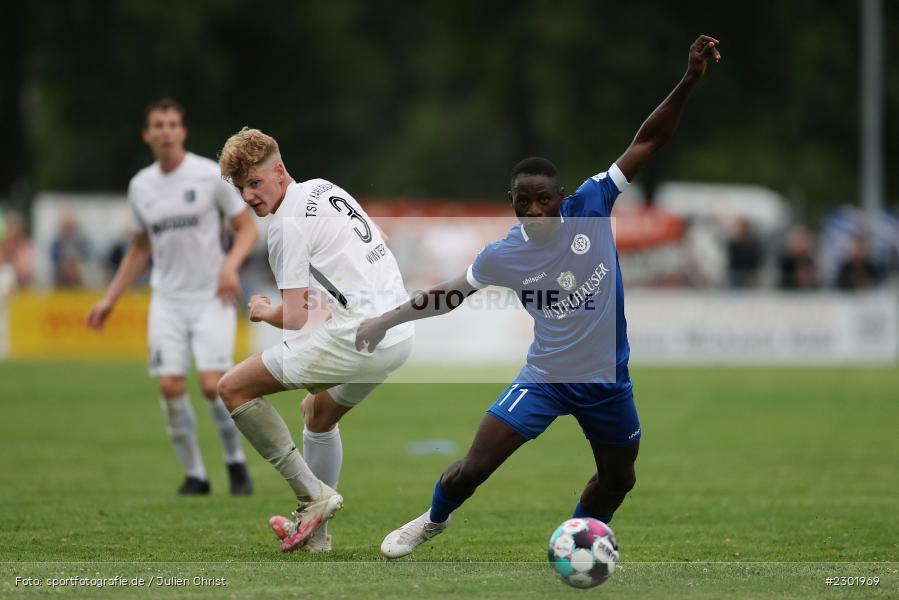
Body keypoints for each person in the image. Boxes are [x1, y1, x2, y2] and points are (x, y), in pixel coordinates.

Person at [356, 36, 721, 558]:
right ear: (511, 202)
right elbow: (449, 294)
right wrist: (384, 321)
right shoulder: (504, 255)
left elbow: (648, 140)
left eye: (543, 200)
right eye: (522, 202)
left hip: (608, 382)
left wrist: (687, 81)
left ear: (560, 197)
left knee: (619, 480)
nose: (533, 211)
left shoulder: (592, 204)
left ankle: (577, 542)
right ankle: (432, 521)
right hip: (545, 379)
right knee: (472, 468)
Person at [215, 127, 414, 553]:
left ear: (279, 171)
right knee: (317, 414)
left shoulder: (285, 225)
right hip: (399, 333)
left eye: (255, 182)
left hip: (357, 337)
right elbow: (379, 239)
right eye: (241, 188)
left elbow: (295, 317)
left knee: (232, 387)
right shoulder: (324, 188)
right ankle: (316, 537)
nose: (248, 196)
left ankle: (313, 496)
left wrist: (263, 310)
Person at [86, 99, 259, 496]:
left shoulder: (208, 175)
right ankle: (196, 475)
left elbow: (247, 229)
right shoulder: (141, 186)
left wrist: (230, 266)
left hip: (211, 296)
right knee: (169, 387)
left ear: (183, 131)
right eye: (158, 125)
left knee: (214, 386)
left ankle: (235, 463)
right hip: (167, 299)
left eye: (172, 124)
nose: (166, 131)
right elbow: (139, 248)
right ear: (147, 135)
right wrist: (109, 299)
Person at [778, 225, 818, 290]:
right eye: (800, 241)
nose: (802, 245)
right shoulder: (785, 261)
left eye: (804, 242)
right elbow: (784, 282)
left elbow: (815, 284)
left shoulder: (809, 261)